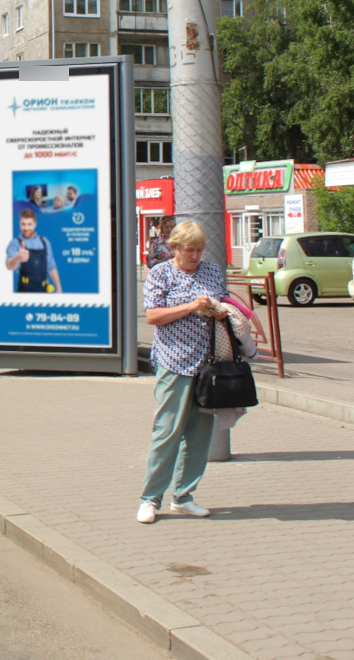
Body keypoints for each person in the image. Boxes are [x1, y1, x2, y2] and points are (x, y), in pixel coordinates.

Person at [137, 219, 228, 524]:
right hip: (173, 361)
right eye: (190, 250)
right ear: (175, 247)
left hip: (207, 365)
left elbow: (223, 308)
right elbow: (152, 316)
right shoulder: (160, 273)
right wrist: (191, 306)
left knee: (199, 435)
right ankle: (150, 499)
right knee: (167, 431)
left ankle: (184, 497)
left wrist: (217, 309)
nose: (195, 256)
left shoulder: (211, 271)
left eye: (200, 250)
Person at [4, 208, 61, 293]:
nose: (26, 228)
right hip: (25, 292)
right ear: (19, 224)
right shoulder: (15, 243)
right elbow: (9, 265)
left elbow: (51, 266)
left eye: (29, 224)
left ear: (35, 224)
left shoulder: (44, 242)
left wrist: (58, 287)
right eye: (23, 224)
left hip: (44, 291)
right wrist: (18, 257)